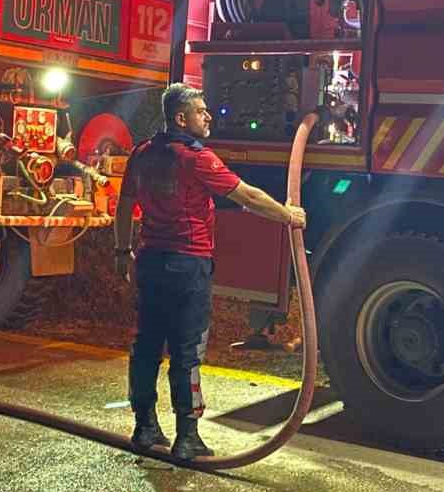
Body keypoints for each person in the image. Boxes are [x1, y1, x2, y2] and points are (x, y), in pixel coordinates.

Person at [113, 83, 307, 459]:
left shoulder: (141, 153)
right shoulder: (197, 159)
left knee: (147, 347)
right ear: (180, 118)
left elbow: (124, 206)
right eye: (201, 111)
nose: (208, 116)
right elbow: (247, 196)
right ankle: (187, 437)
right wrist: (288, 215)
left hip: (150, 262)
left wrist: (122, 252)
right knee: (187, 351)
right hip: (188, 266)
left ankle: (145, 428)